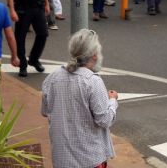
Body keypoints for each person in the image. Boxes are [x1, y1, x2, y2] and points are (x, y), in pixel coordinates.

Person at [41, 29, 118, 168]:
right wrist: (112, 100)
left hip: (62, 157)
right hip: (89, 158)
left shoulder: (52, 78)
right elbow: (104, 120)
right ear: (94, 56)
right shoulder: (92, 81)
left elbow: (45, 111)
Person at [6, 0, 50, 78]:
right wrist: (12, 10)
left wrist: (47, 3)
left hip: (37, 7)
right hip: (22, 10)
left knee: (43, 34)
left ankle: (34, 59)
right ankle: (23, 65)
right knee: (20, 38)